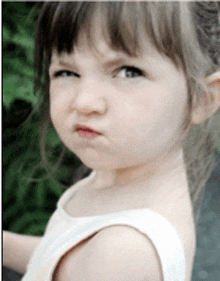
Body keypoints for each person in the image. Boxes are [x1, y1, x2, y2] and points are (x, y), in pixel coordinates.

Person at [3, 2, 220, 281]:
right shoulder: (120, 181)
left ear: (202, 99)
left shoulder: (122, 252)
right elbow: (59, 261)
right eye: (67, 72)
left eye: (129, 72)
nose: (84, 102)